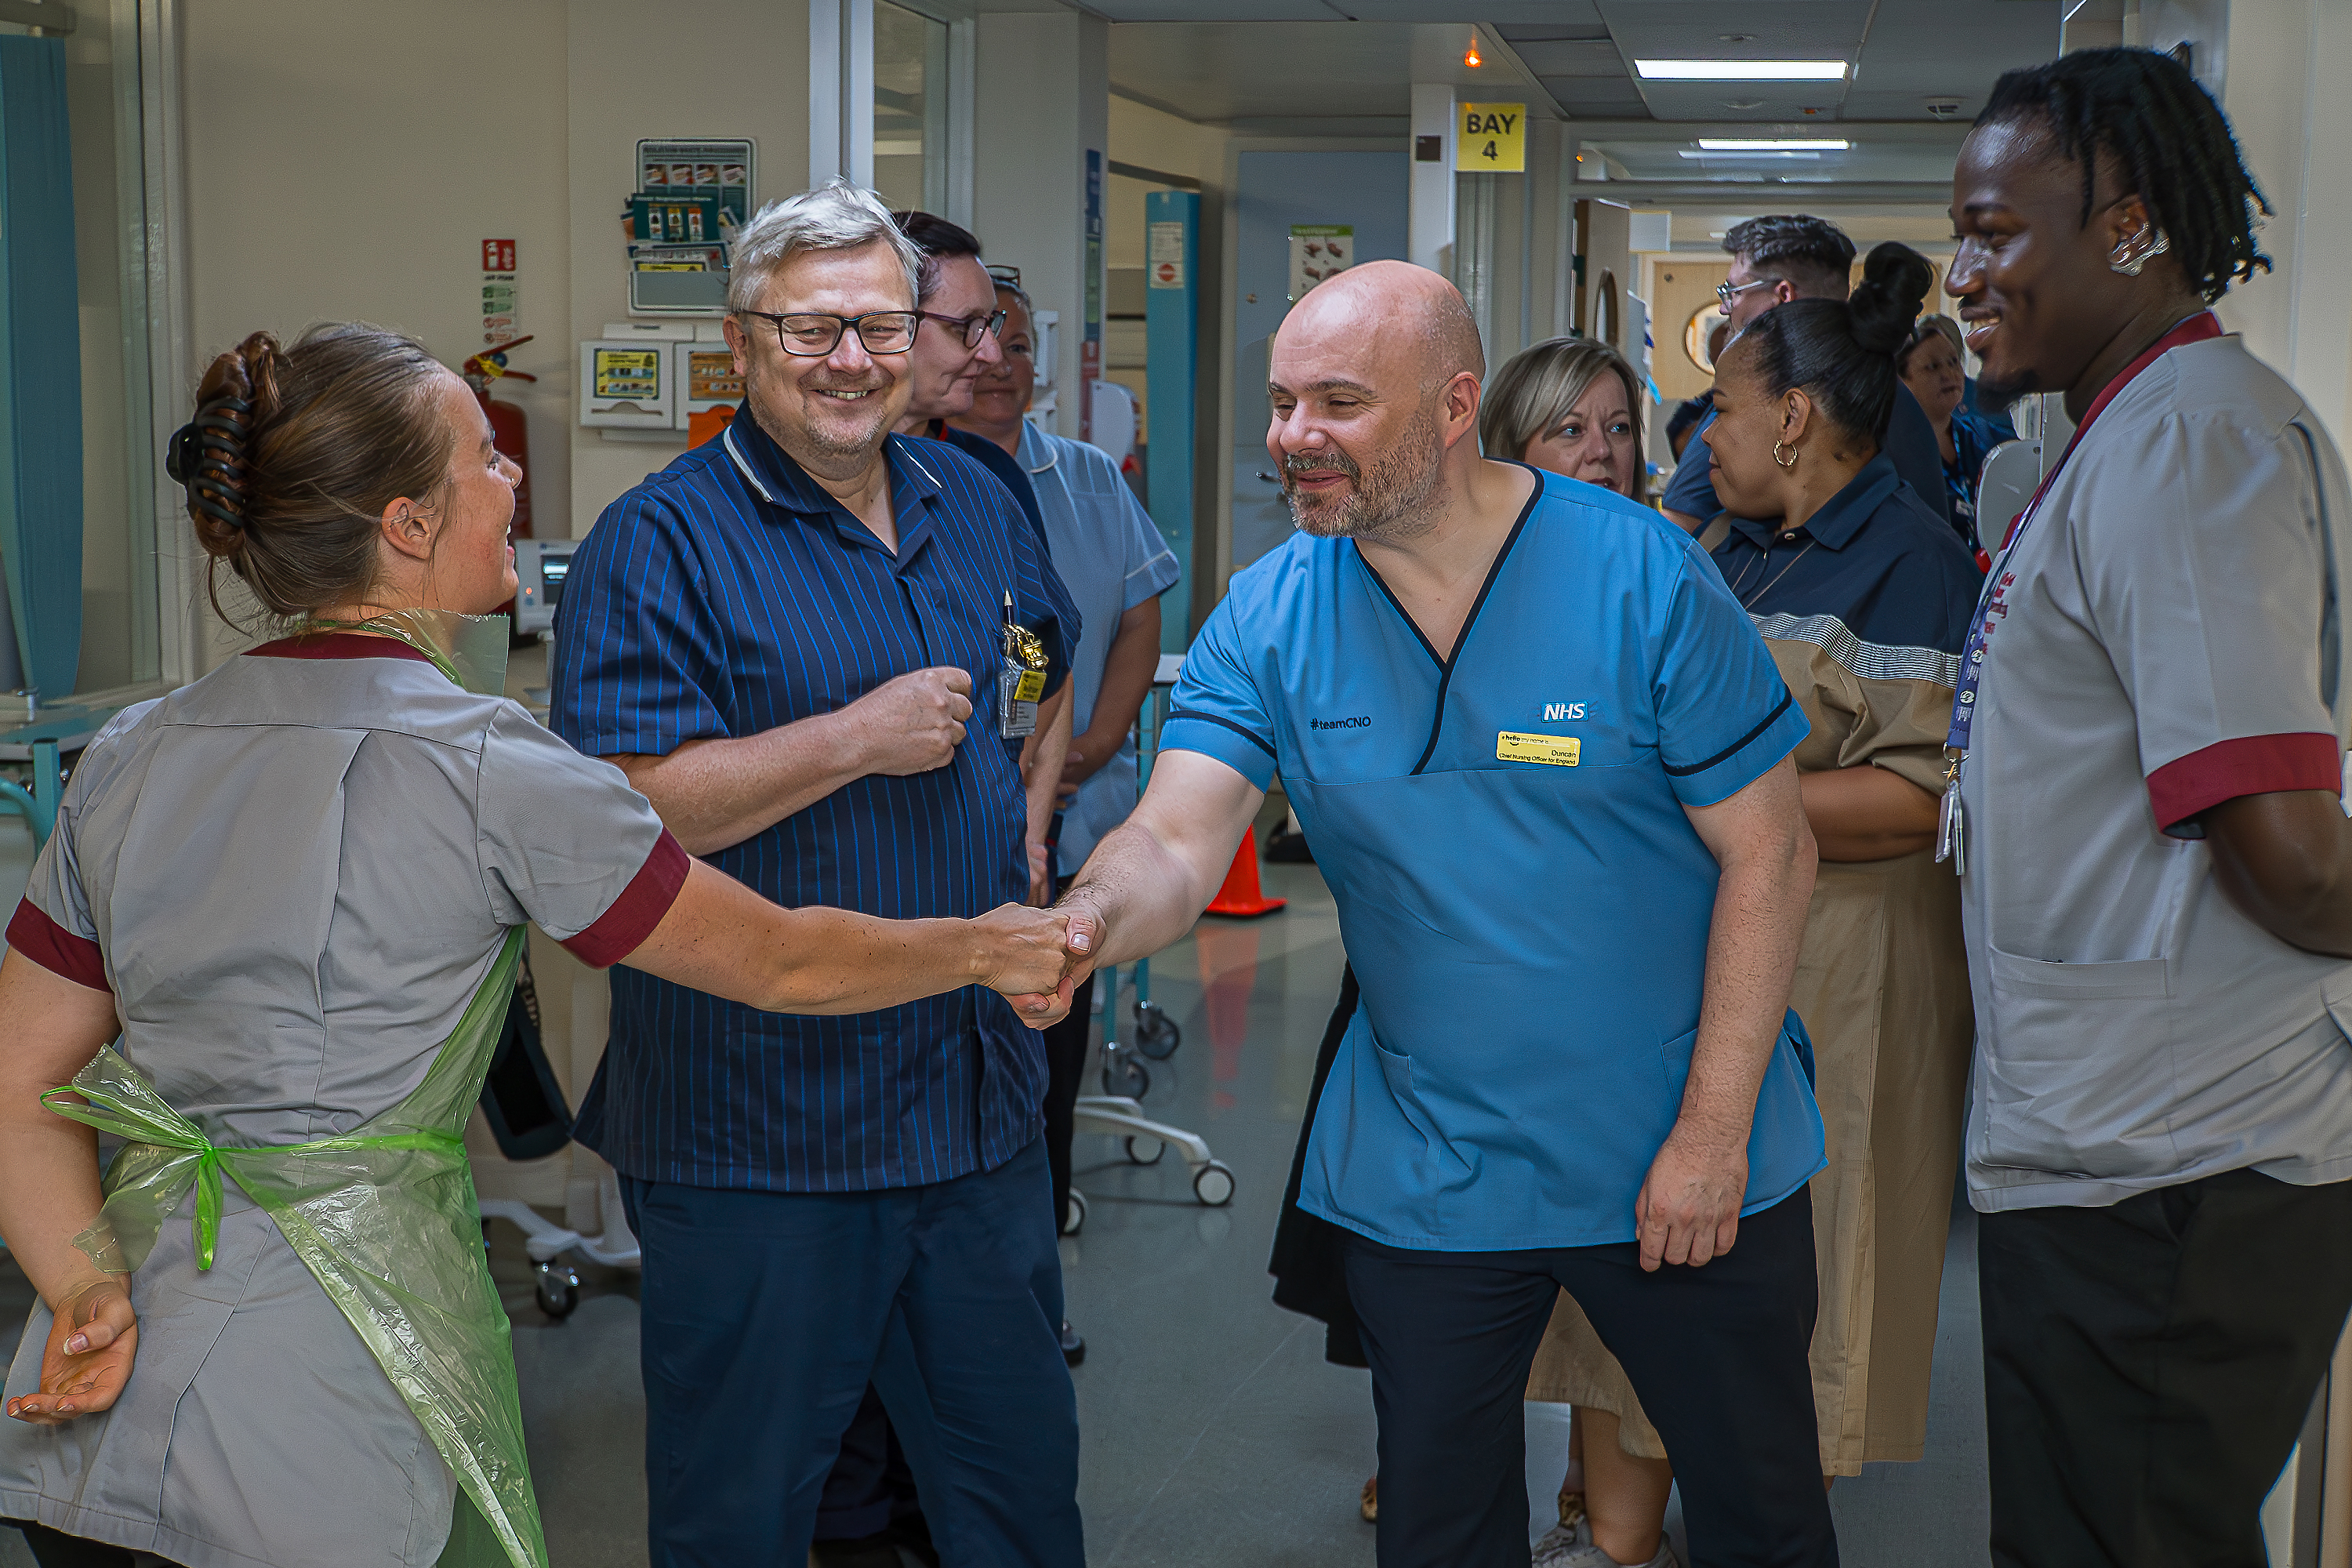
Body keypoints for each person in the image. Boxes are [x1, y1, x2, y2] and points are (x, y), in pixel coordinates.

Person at [0, 325, 1075, 1568]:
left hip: (103, 1404)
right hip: (326, 1404)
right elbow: (782, 962)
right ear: (406, 525)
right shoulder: (491, 768)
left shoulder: (131, 756)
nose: (511, 480)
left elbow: (25, 1075)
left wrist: (83, 1285)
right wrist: (987, 947)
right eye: (482, 458)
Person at [1043, 259, 1838, 1567]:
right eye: (1285, 402)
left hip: (1674, 1135)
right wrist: (1080, 926)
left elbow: (1773, 855)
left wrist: (1711, 1134)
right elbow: (1176, 840)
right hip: (1433, 1154)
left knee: (1760, 1515)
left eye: (1338, 403)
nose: (1294, 437)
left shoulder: (1639, 576)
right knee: (1437, 1522)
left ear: (1455, 403)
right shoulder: (1275, 610)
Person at [547, 181, 1088, 1568]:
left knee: (1015, 1501)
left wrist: (1022, 824)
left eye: (878, 325)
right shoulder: (659, 543)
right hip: (761, 1136)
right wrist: (851, 741)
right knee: (748, 1516)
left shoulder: (971, 495)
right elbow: (620, 815)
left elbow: (1039, 664)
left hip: (971, 1115)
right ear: (741, 341)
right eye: (810, 331)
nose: (851, 359)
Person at [1506, 246, 1984, 1568]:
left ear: (1795, 417)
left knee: (1779, 1282)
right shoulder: (1713, 542)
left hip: (1839, 968)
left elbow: (1914, 798)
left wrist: (1703, 799)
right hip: (1682, 970)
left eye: (1720, 405)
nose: (1698, 432)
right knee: (1645, 1258)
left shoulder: (1911, 563)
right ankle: (1614, 1539)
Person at [1947, 48, 2352, 1567]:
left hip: (2180, 1167)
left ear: (2126, 225)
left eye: (1997, 232)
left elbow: (2291, 853)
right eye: (1959, 231)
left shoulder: (2188, 441)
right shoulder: (2121, 429)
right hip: (2123, 1135)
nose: (1964, 272)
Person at [950, 275, 1180, 1254]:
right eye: (973, 336)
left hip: (1078, 809)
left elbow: (1120, 624)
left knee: (1049, 1039)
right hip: (958, 817)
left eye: (1009, 339)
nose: (995, 360)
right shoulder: (916, 477)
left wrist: (1081, 747)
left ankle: (1032, 1257)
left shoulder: (1085, 477)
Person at [1661, 216, 1951, 536]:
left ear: (1783, 295)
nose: (1725, 308)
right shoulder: (1895, 397)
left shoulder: (1756, 404)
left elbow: (1677, 535)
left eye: (1734, 291)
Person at [1896, 317, 2004, 553]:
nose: (1949, 374)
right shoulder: (1893, 456)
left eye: (1953, 362)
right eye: (1933, 366)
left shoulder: (1985, 438)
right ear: (1902, 381)